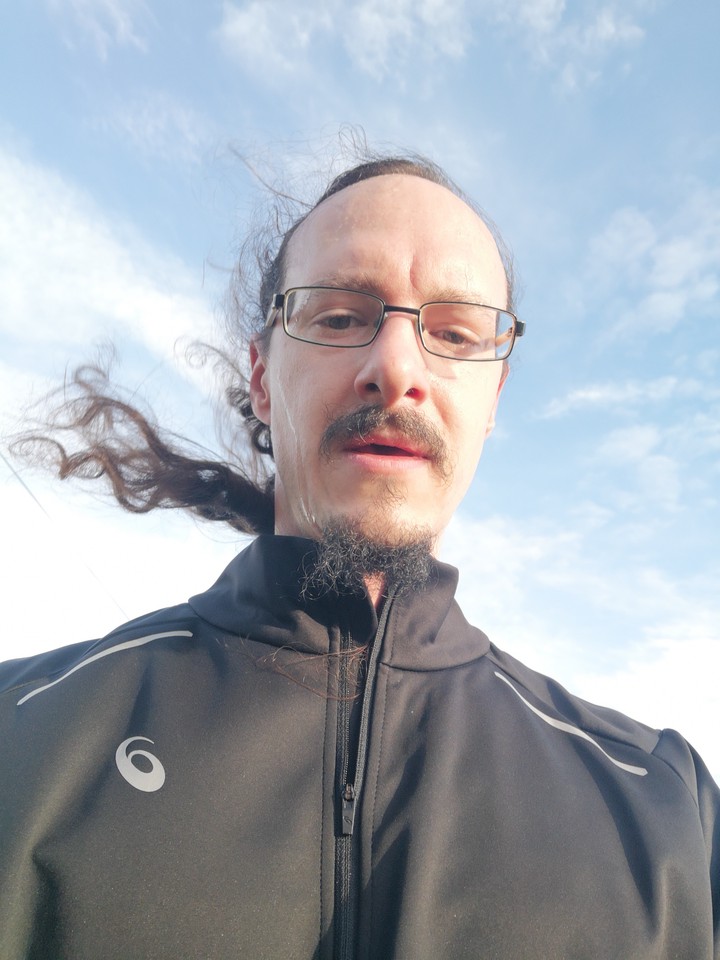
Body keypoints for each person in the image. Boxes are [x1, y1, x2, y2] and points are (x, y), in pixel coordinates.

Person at [1, 153, 718, 960]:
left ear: (492, 400)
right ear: (262, 378)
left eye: (454, 333)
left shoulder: (670, 817)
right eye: (340, 317)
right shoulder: (22, 734)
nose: (397, 368)